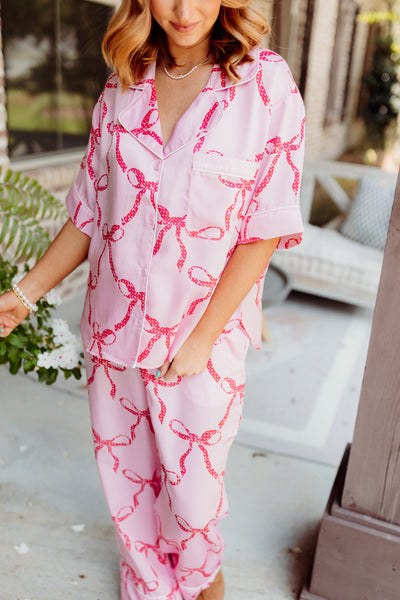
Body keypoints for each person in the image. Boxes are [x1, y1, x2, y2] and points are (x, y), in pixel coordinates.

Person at [0, 1, 305, 598]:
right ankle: (147, 589)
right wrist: (24, 293)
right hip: (115, 329)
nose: (183, 9)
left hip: (203, 341)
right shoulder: (122, 85)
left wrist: (200, 340)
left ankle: (204, 586)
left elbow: (263, 227)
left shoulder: (266, 84)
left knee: (193, 500)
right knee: (128, 493)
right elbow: (89, 210)